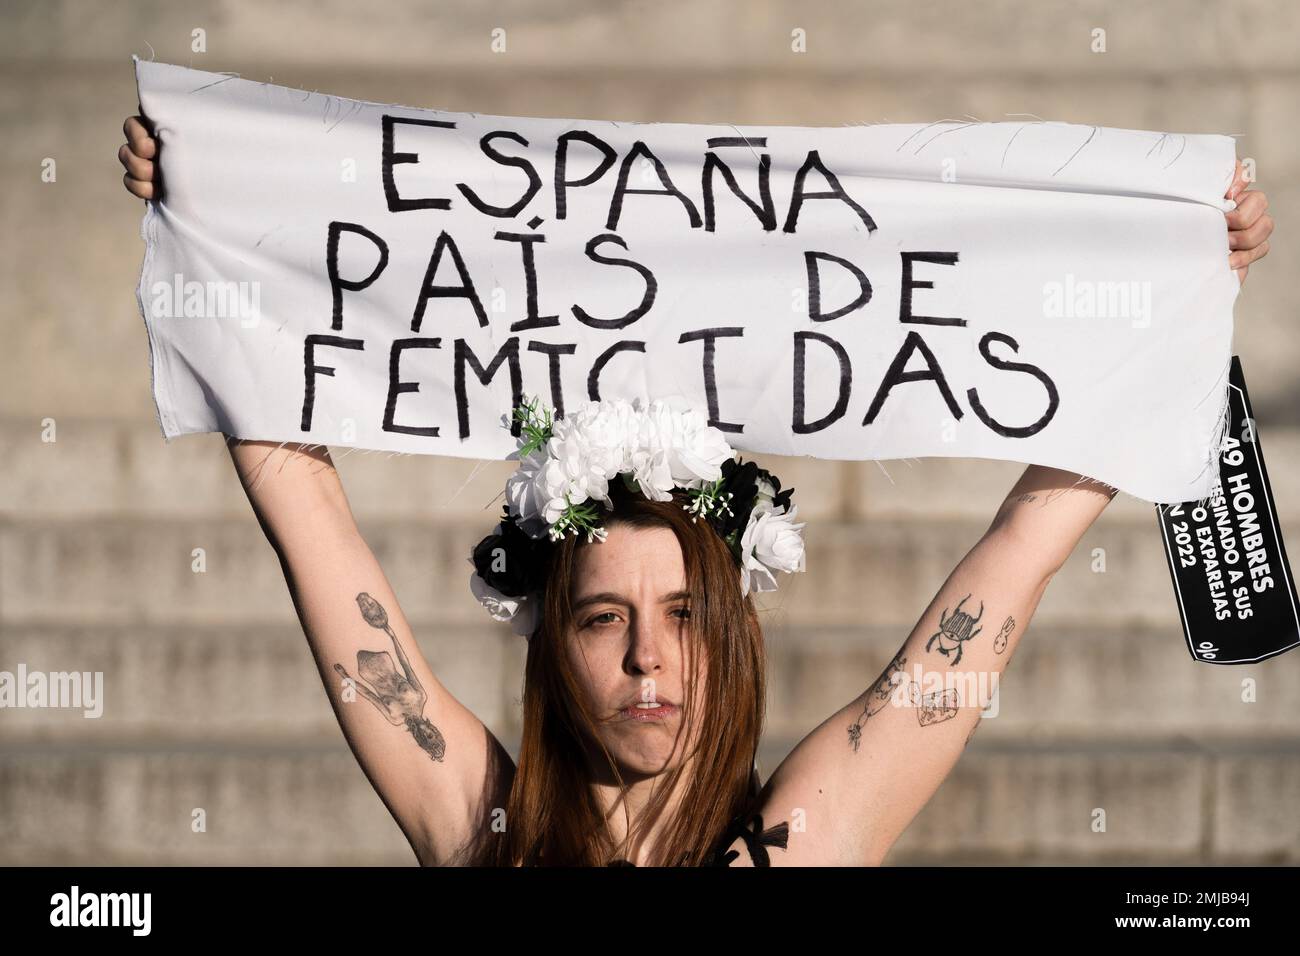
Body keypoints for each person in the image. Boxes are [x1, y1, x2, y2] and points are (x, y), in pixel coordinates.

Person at [118, 112, 1273, 867]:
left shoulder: (809, 832)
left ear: (731, 631)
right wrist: (218, 217)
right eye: (603, 617)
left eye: (682, 615)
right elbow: (315, 539)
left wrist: (1161, 284)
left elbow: (1018, 552)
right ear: (547, 641)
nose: (647, 662)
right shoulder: (487, 833)